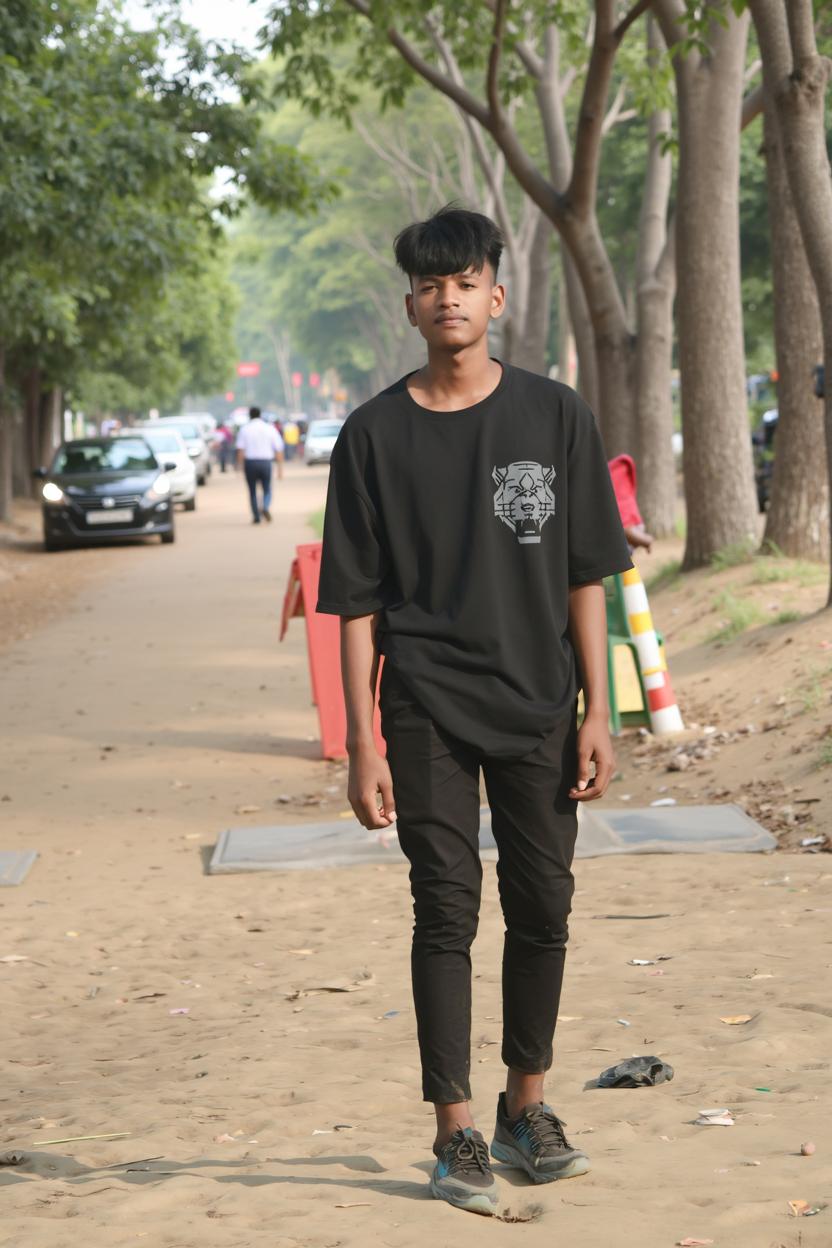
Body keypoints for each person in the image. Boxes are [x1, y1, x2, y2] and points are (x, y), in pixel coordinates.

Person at [317, 206, 633, 1216]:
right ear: (409, 303)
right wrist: (362, 742)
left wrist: (601, 710)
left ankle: (523, 1109)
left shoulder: (554, 417)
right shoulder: (371, 435)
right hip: (424, 708)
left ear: (496, 296)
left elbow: (592, 575)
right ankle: (454, 1130)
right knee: (445, 911)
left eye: (465, 281)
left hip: (541, 701)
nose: (447, 298)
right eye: (429, 284)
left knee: (544, 907)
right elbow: (354, 605)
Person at [235, 406, 284, 524]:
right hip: (266, 462)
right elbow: (278, 449)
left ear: (250, 416)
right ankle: (265, 506)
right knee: (267, 488)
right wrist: (280, 469)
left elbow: (240, 450)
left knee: (252, 490)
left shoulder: (244, 429)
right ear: (260, 415)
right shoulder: (269, 428)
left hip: (250, 463)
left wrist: (240, 467)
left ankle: (256, 516)